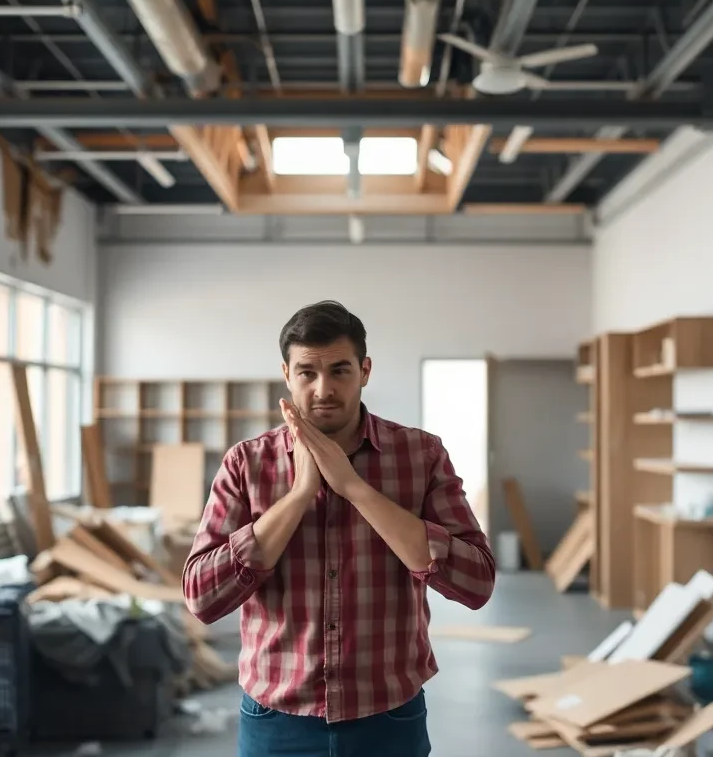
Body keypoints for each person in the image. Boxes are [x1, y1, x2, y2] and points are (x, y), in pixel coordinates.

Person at [182, 300, 497, 757]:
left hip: (388, 715)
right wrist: (298, 495)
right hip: (276, 717)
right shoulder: (247, 463)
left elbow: (477, 582)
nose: (323, 388)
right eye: (307, 372)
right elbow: (202, 598)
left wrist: (355, 489)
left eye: (340, 371)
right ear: (286, 375)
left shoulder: (421, 455)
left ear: (365, 370)